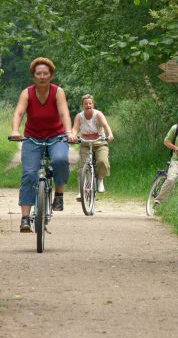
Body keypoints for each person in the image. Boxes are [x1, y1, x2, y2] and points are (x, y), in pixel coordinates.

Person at [10, 57, 72, 233]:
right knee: (29, 173)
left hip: (56, 136)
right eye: (39, 74)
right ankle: (25, 218)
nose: (42, 76)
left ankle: (58, 194)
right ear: (33, 76)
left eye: (46, 73)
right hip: (33, 137)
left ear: (51, 75)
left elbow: (64, 113)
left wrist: (69, 133)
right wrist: (15, 130)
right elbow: (19, 113)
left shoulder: (57, 91)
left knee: (60, 159)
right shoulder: (27, 93)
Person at [68, 94, 114, 199]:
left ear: (93, 104)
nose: (88, 105)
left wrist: (110, 135)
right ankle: (82, 190)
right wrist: (72, 136)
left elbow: (106, 126)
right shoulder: (79, 116)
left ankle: (100, 180)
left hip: (99, 143)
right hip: (85, 143)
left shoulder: (98, 114)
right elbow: (75, 129)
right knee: (82, 167)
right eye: (86, 104)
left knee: (102, 161)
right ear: (82, 105)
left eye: (90, 103)